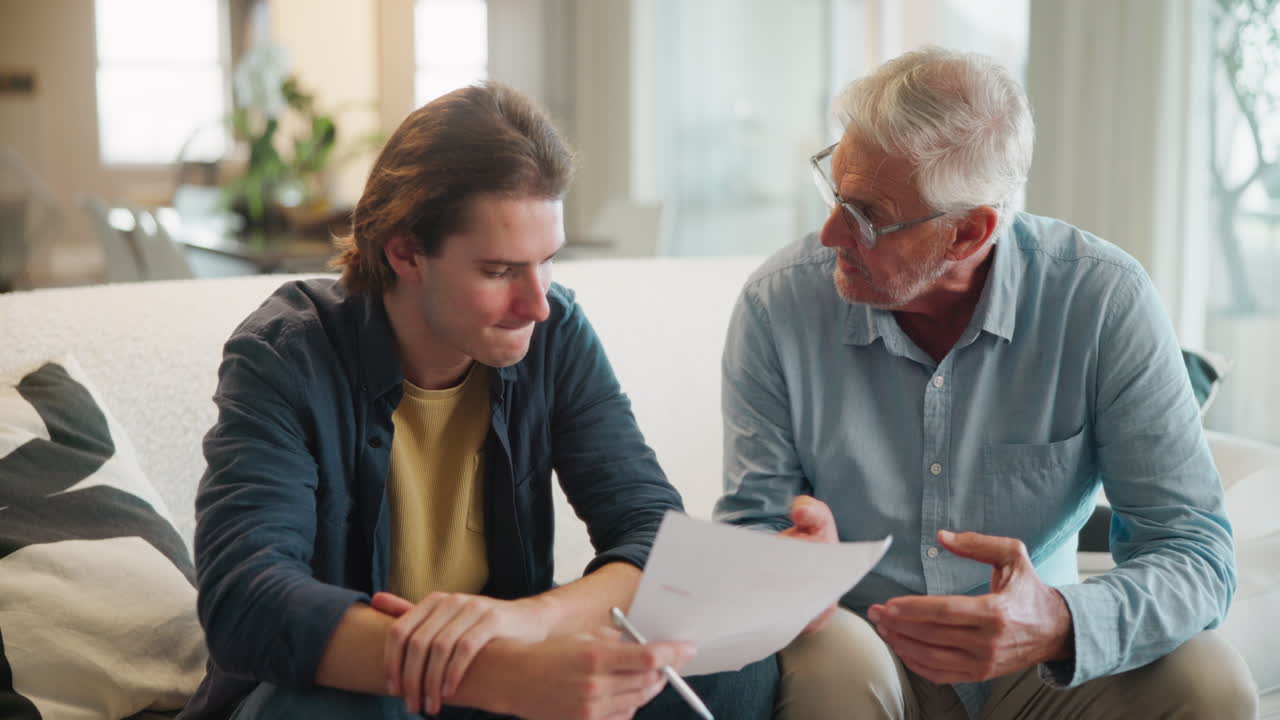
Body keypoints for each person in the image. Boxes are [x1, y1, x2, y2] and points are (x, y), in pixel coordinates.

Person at [180, 81, 778, 720]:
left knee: (731, 666)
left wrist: (531, 623)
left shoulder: (555, 333)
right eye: (499, 271)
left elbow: (654, 536)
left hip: (509, 671)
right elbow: (246, 599)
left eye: (547, 262)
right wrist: (496, 675)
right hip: (360, 687)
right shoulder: (286, 354)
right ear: (406, 252)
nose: (537, 302)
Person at [714, 47, 1257, 719]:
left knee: (1212, 682)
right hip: (865, 648)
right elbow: (748, 533)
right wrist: (788, 566)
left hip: (1036, 663)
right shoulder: (778, 305)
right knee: (838, 665)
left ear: (968, 232)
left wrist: (1057, 621)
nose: (830, 234)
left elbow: (1193, 551)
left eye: (866, 216)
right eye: (835, 194)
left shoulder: (1101, 301)